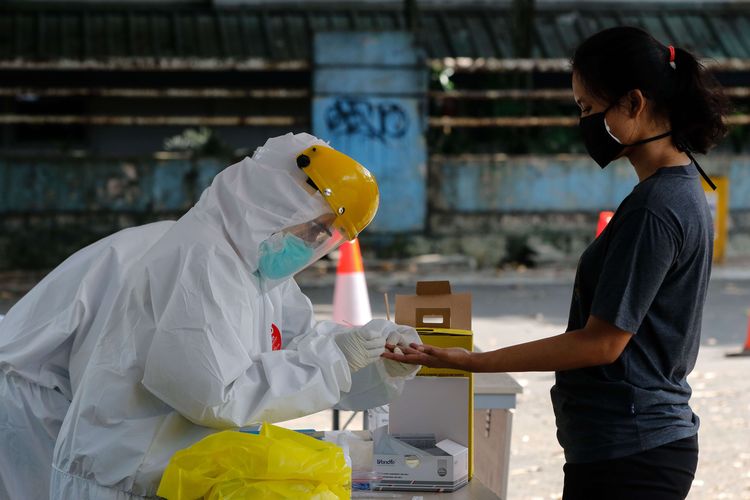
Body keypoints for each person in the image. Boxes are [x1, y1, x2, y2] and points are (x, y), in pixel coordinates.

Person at [384, 27, 730, 500]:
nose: (584, 121)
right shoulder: (678, 190)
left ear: (634, 104)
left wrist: (475, 363)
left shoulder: (655, 209)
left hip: (631, 452)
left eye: (589, 108)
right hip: (629, 445)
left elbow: (602, 343)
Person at [0, 132, 420, 500]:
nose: (312, 246)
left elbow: (298, 345)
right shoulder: (198, 261)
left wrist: (374, 361)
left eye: (323, 239)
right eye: (313, 230)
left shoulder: (255, 271)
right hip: (123, 478)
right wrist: (337, 361)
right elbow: (212, 394)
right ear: (277, 203)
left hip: (167, 473)